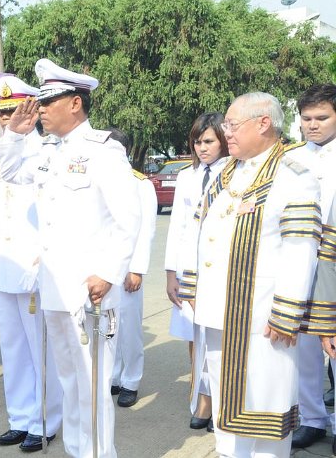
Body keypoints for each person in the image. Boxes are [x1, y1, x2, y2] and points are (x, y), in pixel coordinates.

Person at [0, 59, 142, 458]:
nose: (40, 110)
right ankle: (76, 450)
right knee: (70, 381)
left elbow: (128, 218)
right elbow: (11, 173)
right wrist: (14, 136)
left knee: (92, 383)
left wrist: (108, 273)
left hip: (90, 290)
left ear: (75, 103)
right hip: (54, 289)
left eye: (48, 102)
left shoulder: (104, 151)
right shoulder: (50, 151)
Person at [179, 92, 320, 457]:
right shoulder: (228, 172)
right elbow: (202, 232)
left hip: (262, 316)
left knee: (263, 408)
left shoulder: (293, 175)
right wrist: (192, 287)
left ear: (263, 123)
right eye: (225, 125)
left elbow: (300, 248)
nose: (227, 133)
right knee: (227, 406)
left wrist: (288, 311)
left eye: (232, 124)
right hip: (217, 313)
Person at [0, 74, 64, 452]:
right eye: (4, 110)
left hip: (33, 266)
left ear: (32, 108)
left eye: (17, 109)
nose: (10, 117)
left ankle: (46, 421)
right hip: (1, 264)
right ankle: (21, 418)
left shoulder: (49, 149)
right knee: (13, 349)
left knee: (42, 350)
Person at [164, 112, 229, 430]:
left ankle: (221, 402)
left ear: (223, 140)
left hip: (219, 269)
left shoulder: (234, 172)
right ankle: (201, 399)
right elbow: (176, 224)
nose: (202, 147)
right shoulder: (188, 176)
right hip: (188, 267)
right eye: (197, 141)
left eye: (209, 141)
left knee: (218, 337)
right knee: (193, 334)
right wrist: (170, 272)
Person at [291, 83, 336, 449]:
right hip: (302, 261)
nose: (313, 125)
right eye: (307, 118)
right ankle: (313, 418)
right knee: (304, 347)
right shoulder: (290, 159)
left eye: (322, 117)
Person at [106, 128, 157, 409]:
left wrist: (136, 269)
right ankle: (113, 376)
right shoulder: (101, 179)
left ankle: (131, 380)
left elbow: (146, 229)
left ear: (123, 151)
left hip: (127, 269)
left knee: (129, 328)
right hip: (103, 267)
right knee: (107, 326)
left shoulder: (140, 184)